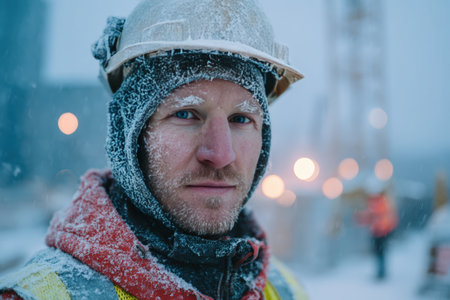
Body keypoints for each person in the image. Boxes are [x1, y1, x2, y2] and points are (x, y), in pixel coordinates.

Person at [0, 0, 307, 299]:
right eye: (186, 114)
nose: (220, 154)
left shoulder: (283, 290)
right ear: (129, 139)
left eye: (240, 119)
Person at [356, 190, 398, 280]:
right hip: (381, 232)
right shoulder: (384, 203)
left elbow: (373, 217)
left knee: (379, 253)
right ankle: (381, 272)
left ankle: (381, 273)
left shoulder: (378, 204)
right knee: (380, 253)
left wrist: (364, 219)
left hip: (379, 232)